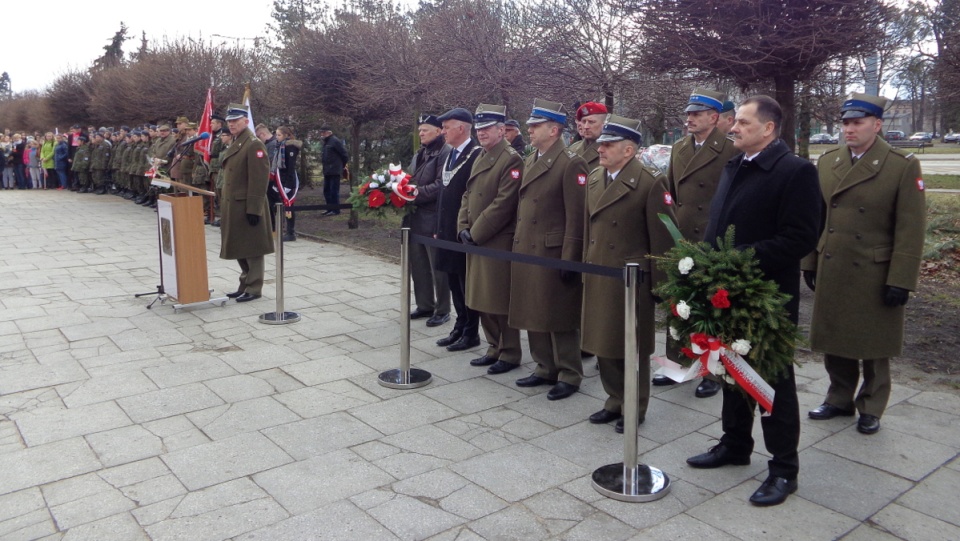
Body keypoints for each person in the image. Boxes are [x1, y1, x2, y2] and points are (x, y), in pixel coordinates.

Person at [685, 95, 821, 506]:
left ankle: (783, 468)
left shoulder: (795, 171)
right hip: (727, 293)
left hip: (766, 297)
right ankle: (735, 445)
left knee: (772, 380)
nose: (733, 127)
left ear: (769, 128)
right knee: (730, 370)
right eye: (734, 122)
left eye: (742, 122)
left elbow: (800, 237)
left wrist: (737, 261)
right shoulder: (735, 165)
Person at [803, 93, 926, 435]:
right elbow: (818, 217)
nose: (850, 129)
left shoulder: (900, 165)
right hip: (834, 261)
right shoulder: (828, 162)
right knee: (835, 335)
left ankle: (871, 405)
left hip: (875, 268)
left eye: (857, 122)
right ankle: (838, 397)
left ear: (877, 125)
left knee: (873, 342)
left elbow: (911, 227)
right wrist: (810, 260)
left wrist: (901, 278)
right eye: (845, 123)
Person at [581, 114, 677, 433]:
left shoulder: (650, 182)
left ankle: (634, 407)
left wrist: (660, 287)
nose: (601, 149)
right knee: (602, 342)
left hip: (631, 278)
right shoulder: (596, 178)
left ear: (629, 150)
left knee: (630, 347)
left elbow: (663, 240)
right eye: (601, 144)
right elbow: (588, 229)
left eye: (608, 145)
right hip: (598, 271)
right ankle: (613, 400)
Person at [652, 88, 739, 399]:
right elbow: (673, 193)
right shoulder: (679, 148)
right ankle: (677, 362)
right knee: (680, 304)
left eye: (697, 114)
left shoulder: (730, 150)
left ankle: (711, 372)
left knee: (711, 307)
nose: (689, 118)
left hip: (713, 239)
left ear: (714, 118)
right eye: (688, 113)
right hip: (683, 238)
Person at [509, 99, 588, 400]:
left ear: (554, 129)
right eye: (529, 124)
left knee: (558, 313)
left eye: (535, 125)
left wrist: (571, 259)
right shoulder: (531, 159)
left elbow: (576, 216)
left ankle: (569, 372)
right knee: (533, 308)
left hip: (552, 251)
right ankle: (544, 366)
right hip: (528, 246)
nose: (529, 129)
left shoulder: (570, 163)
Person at [457, 104, 523, 375]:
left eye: (487, 129)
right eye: (479, 129)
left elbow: (504, 203)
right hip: (476, 239)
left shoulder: (510, 158)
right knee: (482, 298)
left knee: (499, 299)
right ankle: (493, 346)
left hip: (495, 240)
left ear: (501, 130)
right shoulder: (481, 156)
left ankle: (509, 352)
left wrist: (476, 232)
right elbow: (467, 194)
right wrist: (462, 226)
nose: (481, 133)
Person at [433, 108, 482, 353]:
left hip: (463, 232)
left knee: (466, 283)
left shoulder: (476, 155)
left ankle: (471, 331)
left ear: (461, 128)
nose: (443, 132)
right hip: (446, 230)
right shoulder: (450, 154)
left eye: (446, 127)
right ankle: (459, 325)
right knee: (453, 280)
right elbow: (444, 193)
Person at [219, 104, 274, 302]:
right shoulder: (237, 142)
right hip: (234, 204)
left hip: (247, 205)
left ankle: (254, 287)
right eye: (229, 121)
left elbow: (259, 180)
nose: (231, 124)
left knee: (252, 248)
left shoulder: (253, 144)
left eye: (235, 120)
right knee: (239, 246)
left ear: (246, 121)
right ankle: (244, 283)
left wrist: (254, 208)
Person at [406, 114, 451, 327]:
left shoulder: (445, 152)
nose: (421, 133)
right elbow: (410, 177)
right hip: (415, 216)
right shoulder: (421, 152)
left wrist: (413, 193)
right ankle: (425, 305)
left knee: (438, 268)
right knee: (419, 265)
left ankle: (442, 310)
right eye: (420, 130)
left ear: (439, 131)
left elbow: (441, 185)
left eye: (425, 129)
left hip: (434, 216)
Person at [271, 125, 301, 242]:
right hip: (280, 179)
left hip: (288, 180)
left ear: (286, 136)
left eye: (279, 135)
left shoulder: (290, 147)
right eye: (276, 135)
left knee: (289, 205)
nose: (276, 137)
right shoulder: (280, 146)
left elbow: (290, 167)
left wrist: (288, 184)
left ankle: (290, 231)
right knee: (282, 205)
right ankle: (285, 229)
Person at [319, 126, 349, 216]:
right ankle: (329, 208)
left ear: (329, 132)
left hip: (335, 170)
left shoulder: (335, 141)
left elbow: (344, 154)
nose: (322, 134)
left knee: (334, 191)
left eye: (323, 132)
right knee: (326, 190)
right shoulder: (326, 142)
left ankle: (335, 210)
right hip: (327, 170)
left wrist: (341, 166)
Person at [567, 102, 606, 171]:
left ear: (604, 124)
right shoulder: (573, 149)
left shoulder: (609, 151)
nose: (586, 127)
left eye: (591, 122)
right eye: (584, 122)